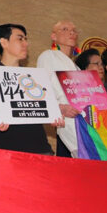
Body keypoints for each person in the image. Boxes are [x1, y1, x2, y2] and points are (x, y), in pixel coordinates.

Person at [0, 23, 63, 154]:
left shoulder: (32, 77)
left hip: (41, 150)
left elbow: (43, 108)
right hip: (6, 151)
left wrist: (53, 116)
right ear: (4, 42)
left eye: (26, 39)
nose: (25, 43)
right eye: (20, 39)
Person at [36, 20, 83, 158]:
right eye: (65, 29)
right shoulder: (47, 56)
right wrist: (59, 108)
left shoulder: (77, 68)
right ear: (53, 36)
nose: (71, 33)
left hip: (84, 121)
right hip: (67, 119)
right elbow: (41, 91)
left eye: (74, 30)